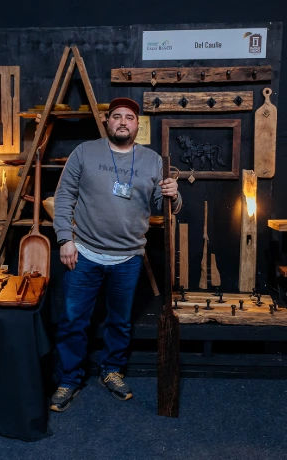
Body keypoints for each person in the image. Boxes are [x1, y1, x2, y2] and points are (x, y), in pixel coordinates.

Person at [50, 97, 182, 412]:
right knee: (73, 321)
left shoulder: (152, 160)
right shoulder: (84, 152)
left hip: (128, 257)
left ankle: (111, 370)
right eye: (117, 116)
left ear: (137, 125)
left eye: (130, 117)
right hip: (84, 253)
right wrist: (65, 239)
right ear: (107, 122)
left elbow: (164, 205)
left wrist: (174, 195)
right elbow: (64, 196)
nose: (123, 121)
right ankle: (69, 379)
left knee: (120, 321)